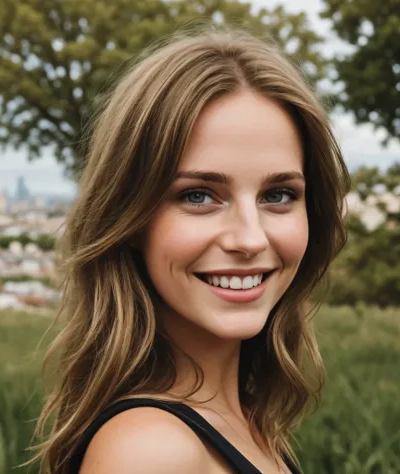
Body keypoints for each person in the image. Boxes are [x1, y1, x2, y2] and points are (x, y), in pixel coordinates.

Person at [30, 25, 350, 474]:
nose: (251, 238)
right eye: (198, 195)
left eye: (278, 195)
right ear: (130, 219)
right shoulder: (150, 452)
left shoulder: (246, 420)